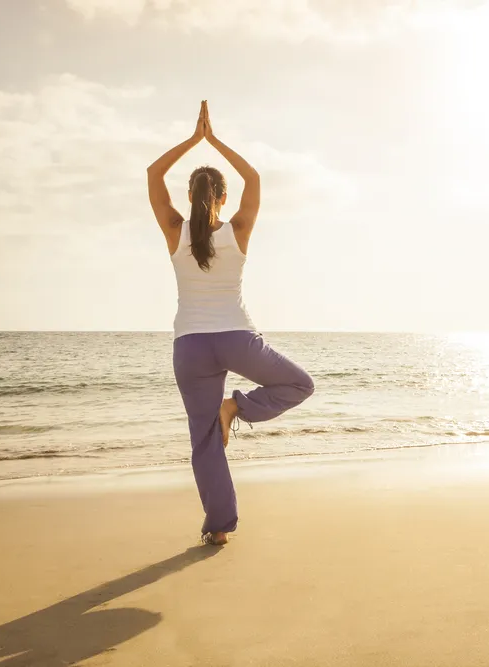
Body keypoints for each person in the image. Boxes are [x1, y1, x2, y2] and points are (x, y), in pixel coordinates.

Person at [147, 101, 315, 546]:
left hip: (190, 347)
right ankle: (235, 407)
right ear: (222, 198)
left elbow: (152, 174)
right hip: (237, 338)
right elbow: (255, 179)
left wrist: (193, 140)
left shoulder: (173, 230)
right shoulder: (237, 229)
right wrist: (214, 140)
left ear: (190, 197)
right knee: (300, 384)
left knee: (204, 442)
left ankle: (219, 527)